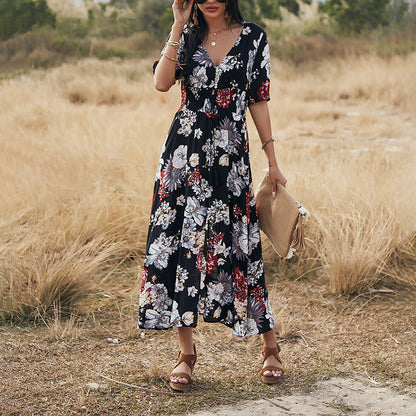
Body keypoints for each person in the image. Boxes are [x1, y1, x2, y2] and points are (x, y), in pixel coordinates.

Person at [138, 0, 287, 391]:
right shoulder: (186, 37)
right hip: (183, 158)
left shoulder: (253, 37)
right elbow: (161, 82)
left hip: (230, 158)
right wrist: (177, 26)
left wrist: (273, 160)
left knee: (242, 244)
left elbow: (258, 98)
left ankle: (269, 345)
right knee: (181, 246)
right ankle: (186, 355)